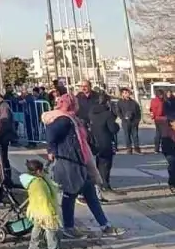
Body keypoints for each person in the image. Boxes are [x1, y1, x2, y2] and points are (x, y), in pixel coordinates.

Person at [42, 94, 123, 238]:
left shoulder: (72, 118)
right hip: (70, 162)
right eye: (76, 103)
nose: (78, 105)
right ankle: (70, 227)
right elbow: (50, 134)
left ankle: (105, 225)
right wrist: (51, 150)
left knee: (89, 194)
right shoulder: (64, 120)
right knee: (70, 194)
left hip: (80, 161)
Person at [20, 158, 64, 249]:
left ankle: (34, 246)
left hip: (36, 210)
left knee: (37, 227)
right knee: (51, 230)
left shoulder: (33, 181)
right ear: (38, 171)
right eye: (42, 170)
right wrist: (51, 212)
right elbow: (43, 199)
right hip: (44, 211)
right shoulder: (38, 183)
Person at [86, 93, 119, 194]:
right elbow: (113, 129)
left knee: (99, 162)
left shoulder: (91, 112)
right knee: (106, 164)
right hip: (106, 141)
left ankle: (98, 183)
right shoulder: (107, 114)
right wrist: (116, 125)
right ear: (107, 102)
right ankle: (105, 184)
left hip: (95, 140)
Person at [115, 88, 142, 154]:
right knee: (127, 136)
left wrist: (137, 120)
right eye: (124, 93)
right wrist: (123, 118)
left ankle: (137, 148)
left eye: (127, 92)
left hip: (134, 122)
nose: (126, 94)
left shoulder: (133, 102)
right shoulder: (120, 102)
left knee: (135, 136)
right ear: (122, 94)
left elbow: (138, 111)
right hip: (125, 122)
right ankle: (129, 148)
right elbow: (118, 112)